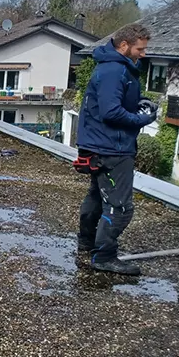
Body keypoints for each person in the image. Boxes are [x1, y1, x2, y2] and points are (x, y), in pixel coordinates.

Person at [76, 23, 157, 275]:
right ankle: (104, 256)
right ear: (124, 46)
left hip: (99, 143)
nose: (142, 54)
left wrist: (137, 103)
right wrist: (143, 119)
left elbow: (111, 103)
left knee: (97, 197)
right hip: (113, 147)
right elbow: (111, 112)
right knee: (120, 206)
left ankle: (86, 242)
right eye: (139, 49)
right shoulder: (114, 71)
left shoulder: (113, 67)